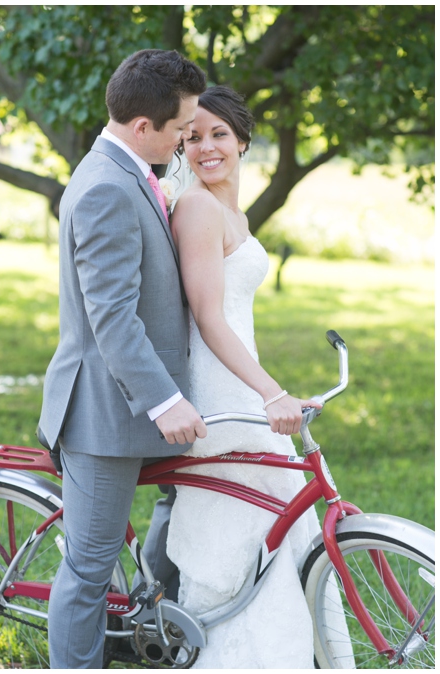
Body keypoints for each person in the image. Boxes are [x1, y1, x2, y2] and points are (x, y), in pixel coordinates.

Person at [37, 49, 208, 669]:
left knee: (188, 503)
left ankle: (151, 619)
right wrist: (165, 400)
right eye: (183, 129)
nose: (188, 139)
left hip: (140, 407)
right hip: (105, 416)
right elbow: (111, 317)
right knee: (87, 569)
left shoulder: (131, 169)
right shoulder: (107, 186)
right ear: (144, 127)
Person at [165, 85, 324, 668]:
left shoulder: (233, 210)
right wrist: (270, 392)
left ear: (243, 140)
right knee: (232, 541)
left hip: (242, 385)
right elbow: (208, 319)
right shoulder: (198, 208)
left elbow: (235, 318)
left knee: (278, 533)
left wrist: (274, 390)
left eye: (218, 134)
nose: (205, 147)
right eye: (192, 136)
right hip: (218, 397)